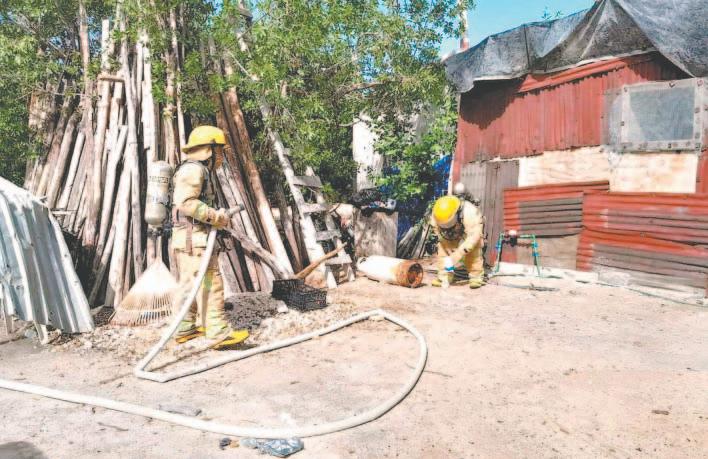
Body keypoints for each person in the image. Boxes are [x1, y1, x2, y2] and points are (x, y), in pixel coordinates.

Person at [171, 125, 249, 349]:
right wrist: (215, 217)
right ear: (209, 150)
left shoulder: (198, 170)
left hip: (191, 240)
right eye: (220, 151)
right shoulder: (193, 170)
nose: (221, 156)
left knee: (191, 284)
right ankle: (218, 333)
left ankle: (184, 328)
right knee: (210, 283)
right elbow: (185, 202)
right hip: (194, 240)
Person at [430, 189, 485, 289]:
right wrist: (445, 247)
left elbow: (473, 237)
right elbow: (436, 229)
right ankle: (444, 277)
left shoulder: (470, 212)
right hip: (447, 232)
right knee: (442, 250)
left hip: (468, 228)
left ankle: (476, 277)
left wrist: (457, 255)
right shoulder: (436, 214)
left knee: (474, 250)